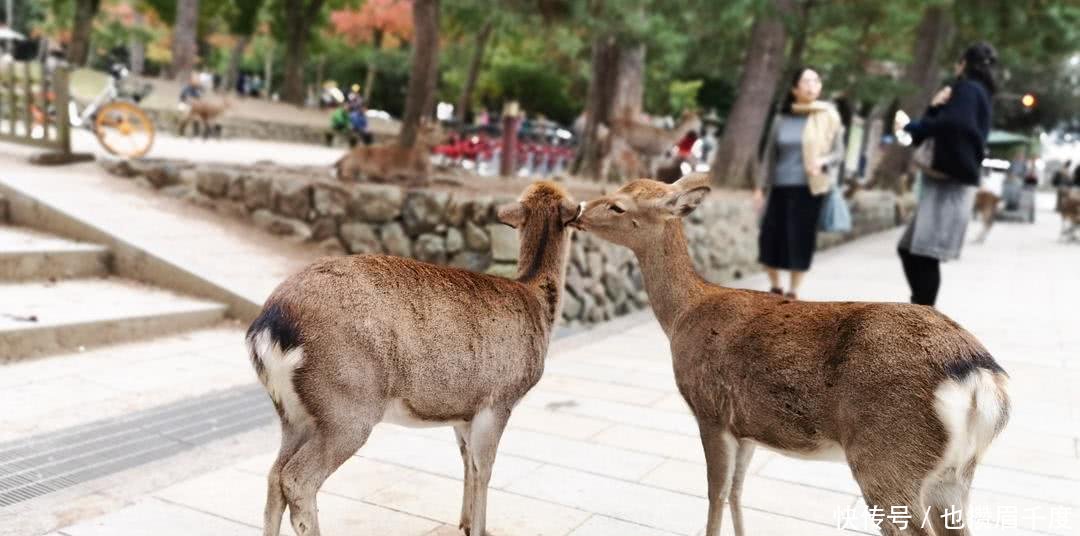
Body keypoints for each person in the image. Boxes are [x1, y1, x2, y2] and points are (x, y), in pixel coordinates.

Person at [897, 41, 996, 307]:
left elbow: (954, 124)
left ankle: (924, 317)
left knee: (923, 254)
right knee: (909, 250)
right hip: (950, 181)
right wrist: (934, 108)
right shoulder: (981, 94)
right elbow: (951, 125)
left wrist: (914, 123)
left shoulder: (967, 89)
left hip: (949, 183)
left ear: (963, 64)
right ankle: (921, 310)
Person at [753, 67, 844, 299]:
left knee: (800, 239)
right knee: (769, 238)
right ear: (795, 88)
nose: (812, 85)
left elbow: (838, 153)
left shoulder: (828, 116)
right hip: (780, 188)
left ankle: (793, 292)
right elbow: (769, 157)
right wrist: (759, 187)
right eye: (806, 81)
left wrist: (822, 161)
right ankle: (775, 287)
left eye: (816, 80)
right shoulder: (780, 119)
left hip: (809, 189)